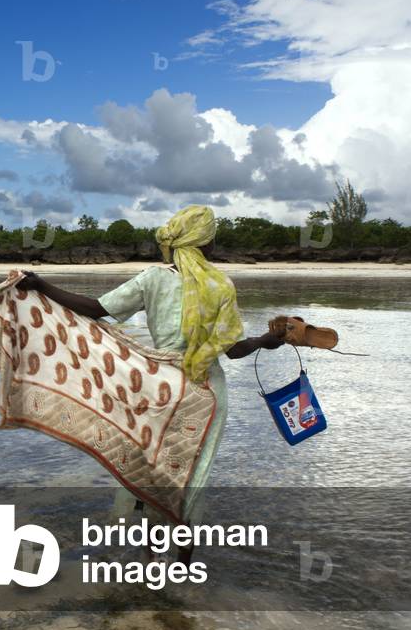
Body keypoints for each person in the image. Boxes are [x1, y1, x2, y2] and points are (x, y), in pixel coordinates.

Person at [16, 205, 284, 557]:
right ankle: (184, 571)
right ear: (206, 244)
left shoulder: (153, 278)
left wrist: (41, 284)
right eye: (213, 239)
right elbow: (232, 350)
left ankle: (149, 563)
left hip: (159, 386)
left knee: (153, 468)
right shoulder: (220, 285)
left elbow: (96, 308)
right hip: (206, 389)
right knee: (192, 475)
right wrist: (267, 341)